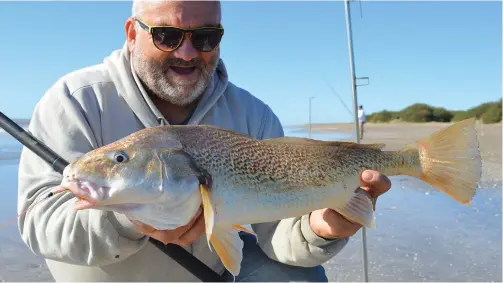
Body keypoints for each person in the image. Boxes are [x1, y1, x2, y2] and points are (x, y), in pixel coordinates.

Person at [17, 1, 391, 281]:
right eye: (167, 35)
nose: (187, 52)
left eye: (206, 37)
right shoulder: (74, 100)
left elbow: (275, 233)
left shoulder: (253, 115)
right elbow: (39, 221)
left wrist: (321, 230)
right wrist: (131, 221)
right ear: (132, 34)